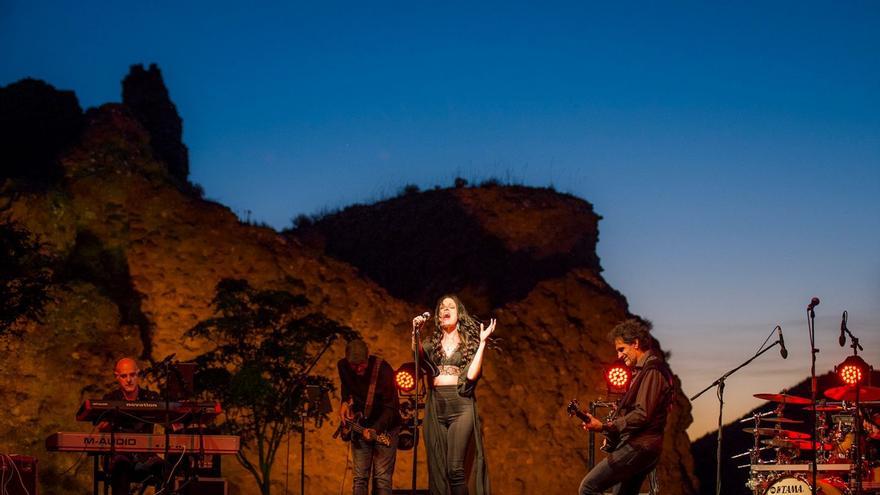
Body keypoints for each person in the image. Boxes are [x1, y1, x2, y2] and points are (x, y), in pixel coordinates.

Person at [577, 319, 674, 495]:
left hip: (640, 446)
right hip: (644, 447)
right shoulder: (642, 372)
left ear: (635, 343)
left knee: (588, 487)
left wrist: (606, 426)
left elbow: (642, 415)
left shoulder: (652, 371)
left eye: (622, 349)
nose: (619, 355)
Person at [412, 294, 495, 495]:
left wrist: (482, 343)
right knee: (438, 471)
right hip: (436, 406)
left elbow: (473, 375)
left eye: (451, 307)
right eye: (442, 307)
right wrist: (414, 332)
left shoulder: (469, 343)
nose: (445, 309)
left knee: (454, 469)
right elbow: (417, 357)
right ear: (439, 316)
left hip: (461, 406)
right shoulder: (432, 343)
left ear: (459, 314)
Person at [337, 339, 401, 495]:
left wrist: (375, 429)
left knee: (382, 479)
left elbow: (391, 408)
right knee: (360, 479)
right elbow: (346, 386)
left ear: (367, 358)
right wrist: (345, 402)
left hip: (386, 426)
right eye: (354, 365)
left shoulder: (383, 369)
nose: (358, 369)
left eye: (361, 364)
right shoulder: (343, 367)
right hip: (360, 425)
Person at [97, 357, 166, 494]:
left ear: (138, 374)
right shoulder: (111, 399)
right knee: (121, 464)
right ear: (117, 377)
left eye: (132, 375)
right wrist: (106, 425)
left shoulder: (151, 397)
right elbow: (101, 426)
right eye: (124, 376)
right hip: (118, 456)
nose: (129, 380)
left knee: (164, 467)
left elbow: (167, 418)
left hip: (145, 457)